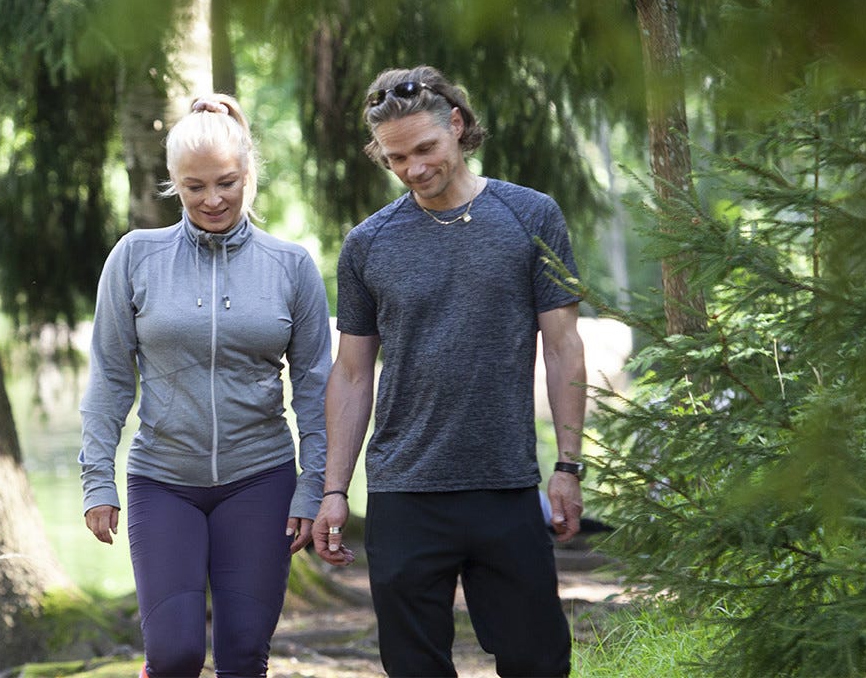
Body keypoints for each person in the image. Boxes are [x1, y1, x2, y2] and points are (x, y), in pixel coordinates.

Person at [313, 66, 587, 677]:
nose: (413, 168)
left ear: (457, 126)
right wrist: (334, 490)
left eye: (425, 148)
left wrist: (568, 466)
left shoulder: (530, 216)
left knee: (538, 661)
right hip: (403, 492)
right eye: (396, 158)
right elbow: (353, 373)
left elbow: (564, 345)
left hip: (506, 484)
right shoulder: (367, 244)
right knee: (414, 668)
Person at [79, 94, 332, 678]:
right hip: (163, 480)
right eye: (194, 187)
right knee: (175, 654)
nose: (213, 200)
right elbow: (111, 377)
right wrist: (98, 480)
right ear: (173, 182)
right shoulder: (135, 258)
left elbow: (317, 391)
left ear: (249, 173)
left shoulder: (290, 267)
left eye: (227, 182)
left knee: (244, 655)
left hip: (261, 479)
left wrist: (312, 488)